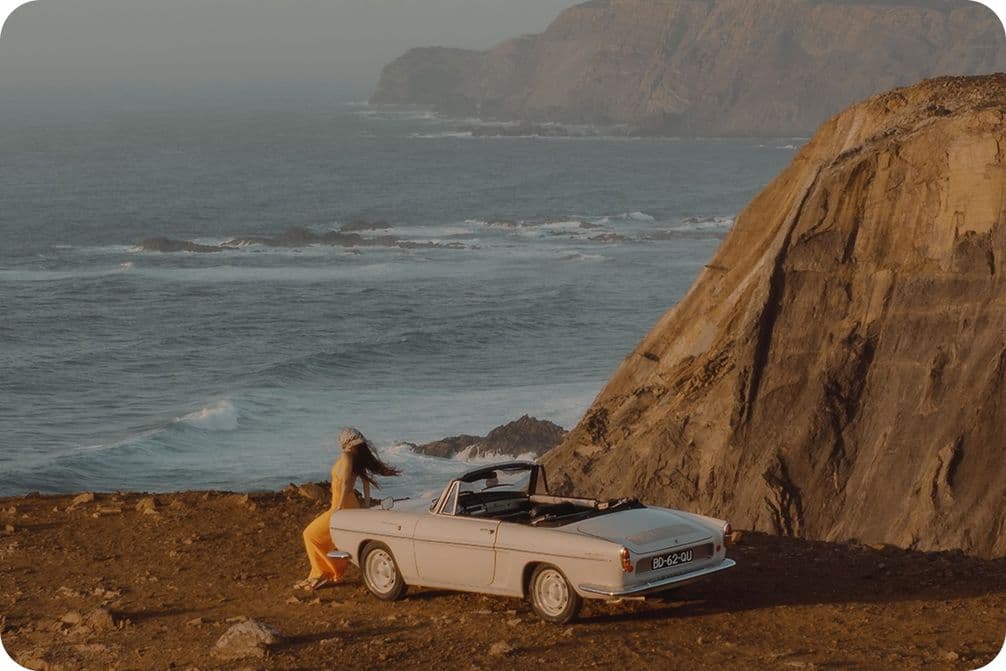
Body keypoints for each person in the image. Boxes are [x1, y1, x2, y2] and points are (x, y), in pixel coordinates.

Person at [297, 427, 400, 591]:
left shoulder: (346, 457)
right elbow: (366, 481)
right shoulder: (353, 458)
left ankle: (322, 574)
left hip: (341, 507)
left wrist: (338, 508)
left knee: (310, 535)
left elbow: (345, 483)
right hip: (346, 505)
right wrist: (365, 505)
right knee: (328, 539)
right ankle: (323, 573)